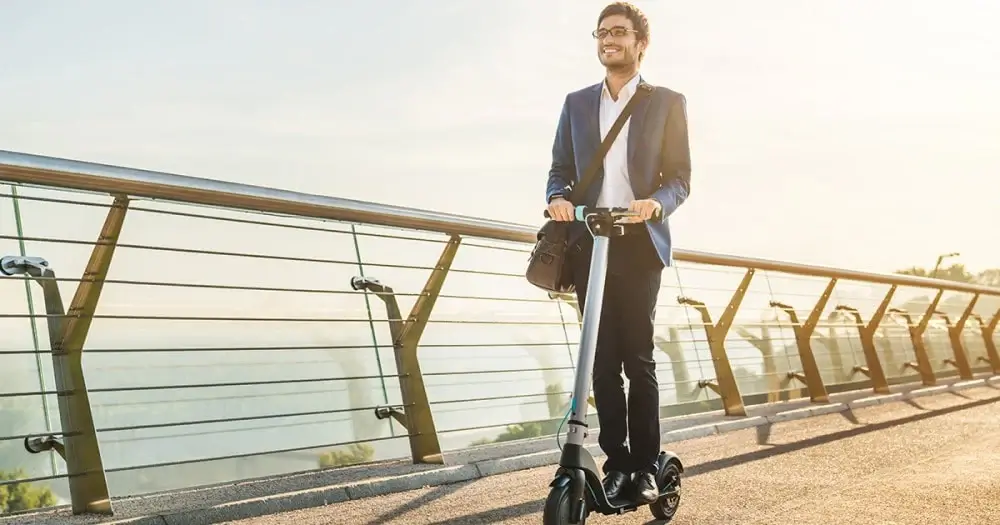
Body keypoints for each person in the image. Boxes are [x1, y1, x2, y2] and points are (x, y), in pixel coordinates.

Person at [544, 1, 691, 505]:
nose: (608, 39)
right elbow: (560, 166)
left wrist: (656, 205)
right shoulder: (577, 102)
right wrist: (557, 197)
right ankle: (617, 463)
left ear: (640, 43)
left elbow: (681, 178)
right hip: (590, 242)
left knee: (637, 357)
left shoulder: (666, 101)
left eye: (619, 33)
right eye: (602, 32)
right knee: (600, 362)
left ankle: (647, 466)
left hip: (639, 244)